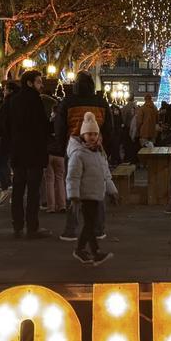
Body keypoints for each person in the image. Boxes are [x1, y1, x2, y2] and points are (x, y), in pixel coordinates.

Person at [54, 72, 115, 241]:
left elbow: (59, 128)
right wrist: (106, 149)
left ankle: (71, 228)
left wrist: (62, 148)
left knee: (73, 186)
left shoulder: (68, 102)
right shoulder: (101, 103)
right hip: (97, 148)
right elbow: (109, 129)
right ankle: (99, 228)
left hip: (73, 149)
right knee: (98, 188)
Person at [4, 70, 52, 238]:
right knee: (33, 191)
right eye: (39, 82)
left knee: (18, 190)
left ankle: (17, 225)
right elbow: (43, 127)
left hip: (17, 152)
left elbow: (4, 125)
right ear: (30, 83)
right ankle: (32, 226)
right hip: (34, 153)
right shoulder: (36, 101)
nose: (41, 85)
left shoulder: (12, 101)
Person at [66, 112, 116, 265]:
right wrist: (73, 195)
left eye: (95, 133)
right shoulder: (79, 154)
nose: (93, 137)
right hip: (85, 194)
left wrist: (112, 190)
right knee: (90, 223)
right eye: (89, 134)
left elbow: (106, 174)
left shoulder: (99, 152)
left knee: (90, 223)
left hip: (97, 194)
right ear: (83, 135)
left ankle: (80, 250)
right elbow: (73, 176)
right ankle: (96, 252)